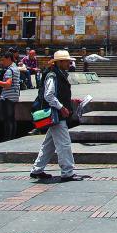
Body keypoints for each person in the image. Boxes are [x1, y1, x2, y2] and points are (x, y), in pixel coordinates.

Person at [30, 50, 85, 182]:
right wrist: (62, 107)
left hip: (57, 114)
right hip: (56, 115)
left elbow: (58, 94)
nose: (69, 63)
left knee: (49, 144)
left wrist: (71, 102)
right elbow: (48, 95)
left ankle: (37, 169)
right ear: (59, 62)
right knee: (64, 143)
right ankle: (68, 172)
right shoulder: (53, 75)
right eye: (67, 61)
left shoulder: (59, 74)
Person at [0, 51, 20, 141]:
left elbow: (7, 84)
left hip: (8, 96)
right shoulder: (16, 68)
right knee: (11, 118)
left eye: (4, 60)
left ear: (9, 59)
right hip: (14, 96)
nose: (3, 62)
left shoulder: (9, 70)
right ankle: (12, 137)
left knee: (8, 119)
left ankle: (8, 138)